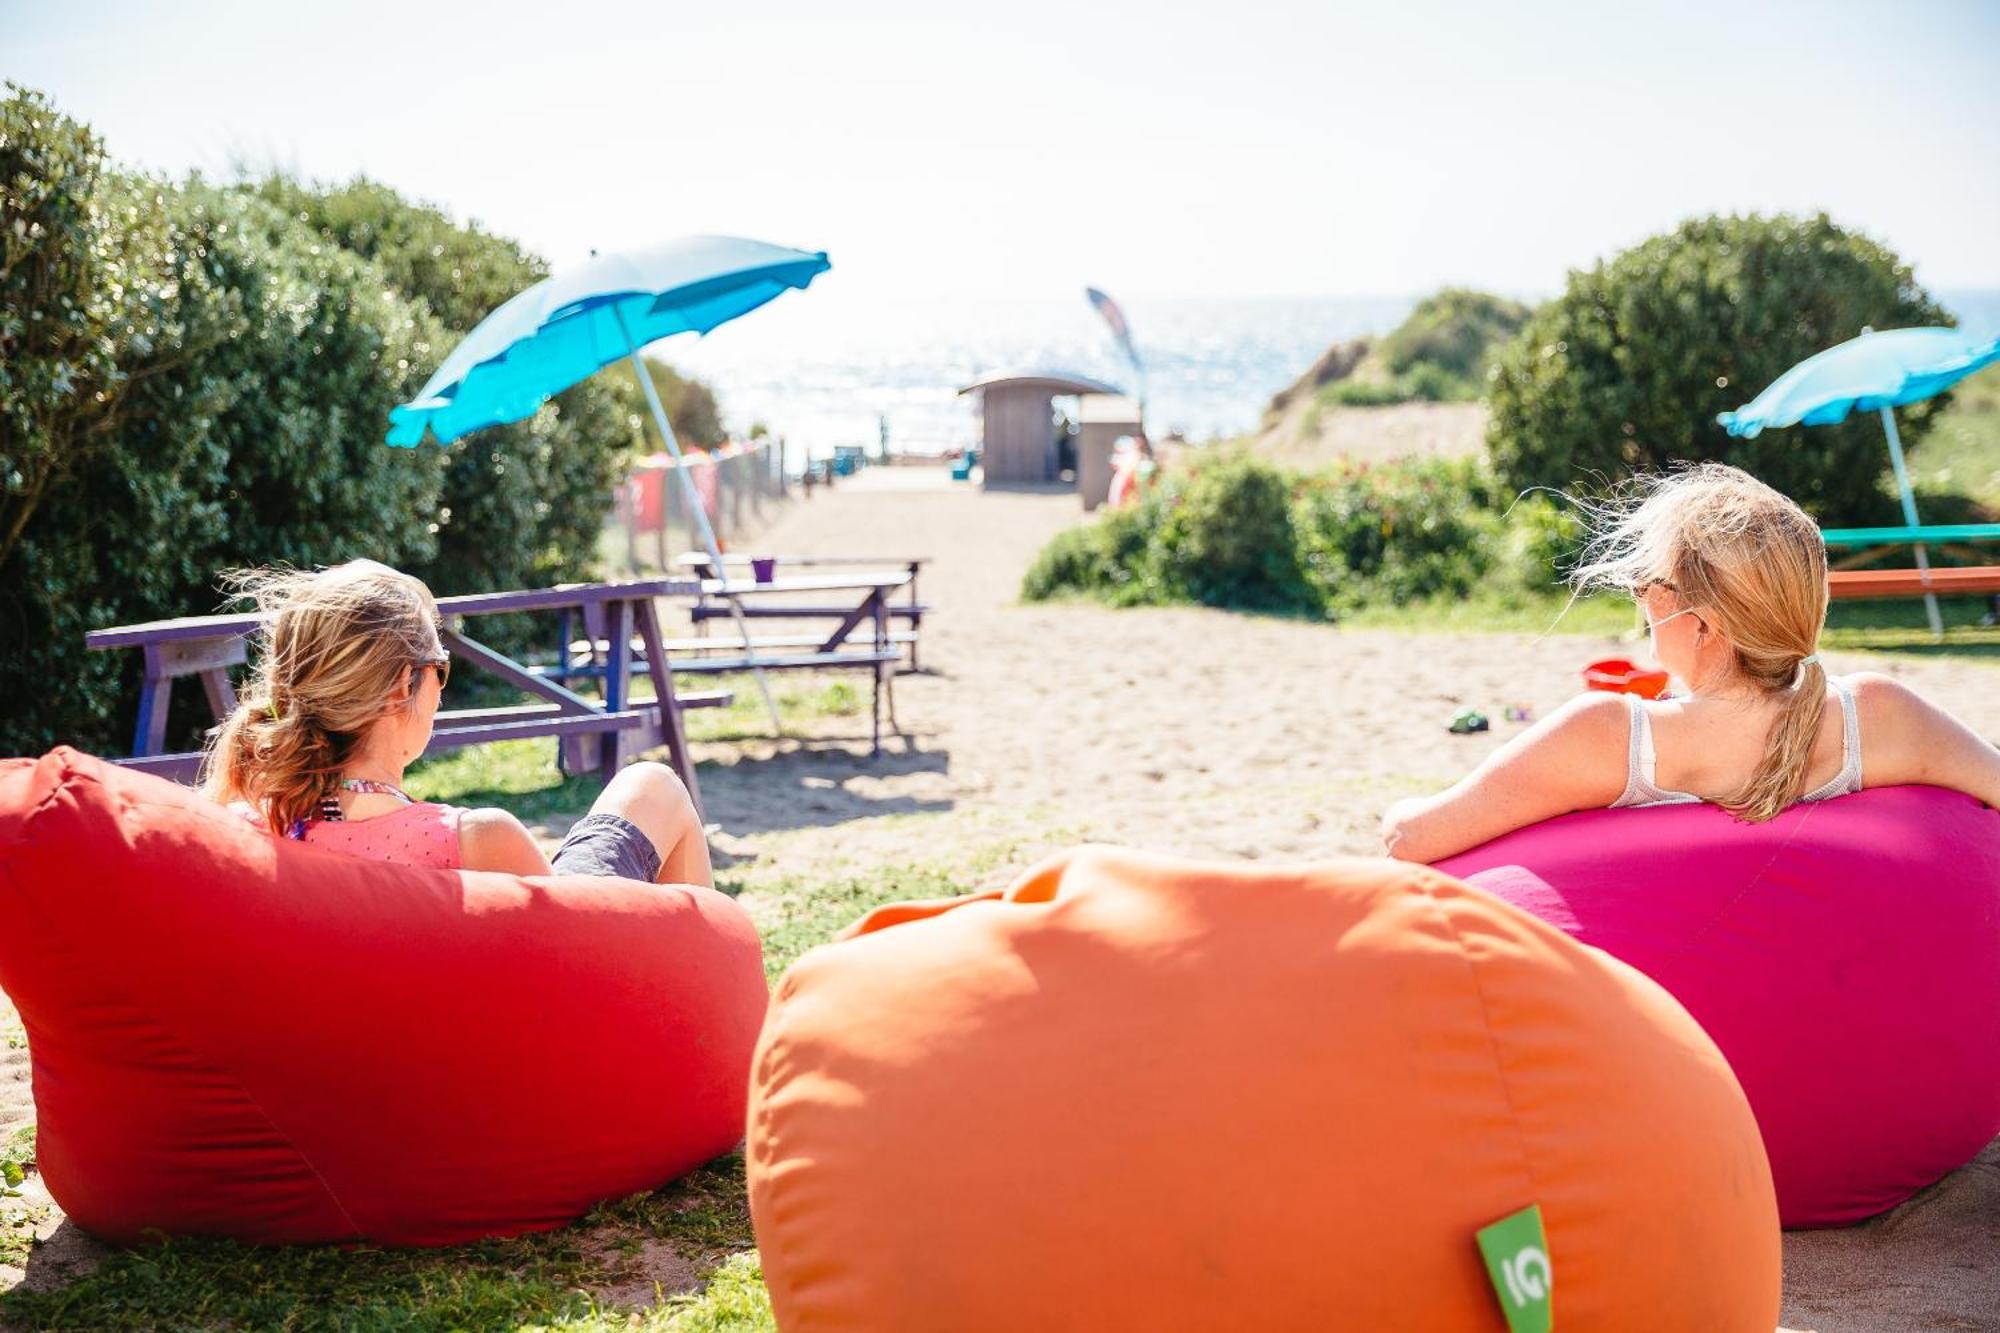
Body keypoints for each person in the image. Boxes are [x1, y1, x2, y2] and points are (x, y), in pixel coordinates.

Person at [1380, 463, 2000, 864]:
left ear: (1702, 624)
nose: (1637, 596)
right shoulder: (1880, 716)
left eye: (1649, 581)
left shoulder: (1608, 737)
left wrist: (1393, 812)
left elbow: (1411, 841)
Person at [201, 560, 711, 884]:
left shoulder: (238, 832)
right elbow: (570, 962)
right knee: (654, 785)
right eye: (439, 667)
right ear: (405, 685)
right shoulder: (478, 841)